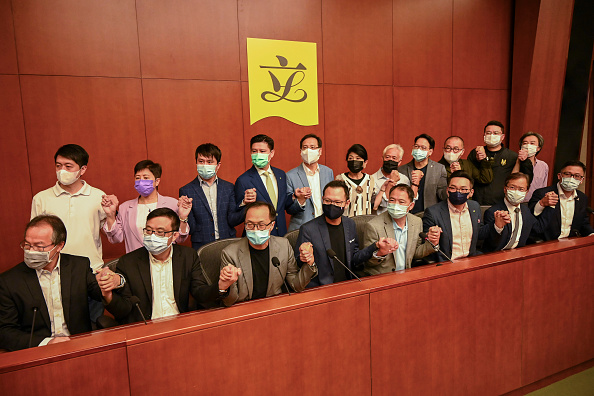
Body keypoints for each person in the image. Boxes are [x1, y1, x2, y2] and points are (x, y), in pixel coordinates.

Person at [0, 215, 120, 351]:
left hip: (79, 347)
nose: (31, 251)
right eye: (27, 245)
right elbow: (5, 332)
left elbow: (102, 293)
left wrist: (114, 280)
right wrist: (45, 343)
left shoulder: (79, 267)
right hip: (38, 351)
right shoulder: (9, 281)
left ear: (59, 246)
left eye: (39, 246)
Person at [100, 208, 223, 324]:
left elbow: (200, 292)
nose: (152, 236)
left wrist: (221, 286)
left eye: (160, 232)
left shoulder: (188, 256)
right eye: (148, 230)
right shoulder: (128, 262)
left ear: (174, 236)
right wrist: (108, 295)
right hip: (146, 327)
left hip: (180, 323)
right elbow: (124, 309)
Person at [30, 144, 107, 321]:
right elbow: (34, 239)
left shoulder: (98, 197)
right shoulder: (41, 198)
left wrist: (111, 215)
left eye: (68, 166)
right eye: (58, 165)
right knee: (60, 328)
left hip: (92, 272)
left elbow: (112, 234)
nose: (62, 170)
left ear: (82, 169)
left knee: (94, 329)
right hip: (54, 274)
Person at [295, 180, 396, 287]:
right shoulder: (308, 229)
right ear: (322, 200)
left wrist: (375, 246)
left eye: (337, 202)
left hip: (348, 285)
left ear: (347, 203)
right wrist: (304, 257)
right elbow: (298, 264)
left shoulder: (350, 224)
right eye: (327, 201)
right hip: (321, 288)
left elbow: (354, 258)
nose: (331, 205)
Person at [218, 202, 318, 306]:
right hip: (245, 309)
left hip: (274, 306)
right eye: (250, 224)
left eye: (261, 225)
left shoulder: (284, 245)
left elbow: (296, 285)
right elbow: (229, 301)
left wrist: (310, 263)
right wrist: (226, 286)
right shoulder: (230, 253)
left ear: (271, 226)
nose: (255, 230)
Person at [102, 160, 191, 253]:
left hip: (165, 258)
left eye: (146, 178)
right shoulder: (125, 207)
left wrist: (183, 218)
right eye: (137, 178)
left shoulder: (172, 204)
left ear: (157, 181)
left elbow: (180, 238)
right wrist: (110, 215)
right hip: (136, 261)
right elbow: (116, 239)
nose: (141, 182)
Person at [234, 134, 306, 236]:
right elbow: (236, 216)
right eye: (254, 151)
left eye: (262, 151)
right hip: (257, 236)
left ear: (271, 153)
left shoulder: (280, 174)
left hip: (280, 234)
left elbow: (281, 204)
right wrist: (244, 203)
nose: (258, 154)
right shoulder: (243, 180)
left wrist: (294, 196)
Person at [179, 144, 246, 249]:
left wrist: (246, 204)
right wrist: (183, 216)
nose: (205, 165)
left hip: (228, 242)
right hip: (202, 245)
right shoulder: (186, 190)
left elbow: (232, 220)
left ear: (218, 165)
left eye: (209, 162)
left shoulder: (228, 187)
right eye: (201, 161)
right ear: (196, 162)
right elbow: (191, 229)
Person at [364, 184, 439, 274]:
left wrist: (432, 243)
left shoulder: (416, 222)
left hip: (406, 276)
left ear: (411, 206)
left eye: (401, 202)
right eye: (392, 200)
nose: (395, 205)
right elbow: (367, 262)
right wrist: (381, 253)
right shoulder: (373, 226)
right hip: (382, 278)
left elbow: (414, 253)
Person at [422, 171, 493, 262]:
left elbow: (479, 232)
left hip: (471, 260)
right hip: (447, 263)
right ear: (447, 191)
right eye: (453, 188)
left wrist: (497, 226)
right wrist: (432, 238)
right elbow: (425, 242)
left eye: (463, 189)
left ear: (471, 193)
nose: (458, 192)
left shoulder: (474, 206)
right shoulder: (433, 212)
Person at [467, 120, 533, 205]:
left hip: (501, 203)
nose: (491, 135)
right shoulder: (475, 153)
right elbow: (469, 175)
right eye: (488, 133)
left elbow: (527, 177)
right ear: (484, 136)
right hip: (477, 201)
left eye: (496, 133)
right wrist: (478, 160)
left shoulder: (512, 156)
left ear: (502, 137)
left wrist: (525, 161)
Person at [529, 160, 594, 240]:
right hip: (547, 243)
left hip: (570, 243)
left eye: (577, 176)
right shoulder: (542, 193)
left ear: (581, 180)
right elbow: (530, 217)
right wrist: (541, 203)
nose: (571, 178)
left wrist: (591, 234)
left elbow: (584, 223)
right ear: (559, 176)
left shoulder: (582, 198)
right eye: (567, 174)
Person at [482, 173, 547, 252]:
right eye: (512, 187)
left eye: (521, 189)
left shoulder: (525, 210)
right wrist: (497, 227)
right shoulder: (493, 212)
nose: (516, 192)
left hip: (517, 254)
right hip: (497, 255)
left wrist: (545, 205)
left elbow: (538, 229)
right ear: (505, 189)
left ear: (526, 192)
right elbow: (491, 243)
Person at [286, 134, 334, 231]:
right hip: (301, 228)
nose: (308, 151)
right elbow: (289, 209)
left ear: (319, 151)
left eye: (312, 147)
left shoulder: (328, 172)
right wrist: (300, 200)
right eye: (305, 148)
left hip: (326, 226)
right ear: (300, 152)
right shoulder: (290, 175)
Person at [400, 134, 448, 214]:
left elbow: (442, 195)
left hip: (430, 214)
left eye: (423, 148)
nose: (419, 150)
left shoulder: (439, 169)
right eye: (416, 146)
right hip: (407, 214)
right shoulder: (402, 169)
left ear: (430, 152)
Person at [336, 144, 376, 216]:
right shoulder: (340, 179)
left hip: (366, 223)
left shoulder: (370, 179)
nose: (354, 161)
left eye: (358, 158)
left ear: (365, 162)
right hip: (347, 222)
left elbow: (374, 203)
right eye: (351, 158)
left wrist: (384, 189)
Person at [372, 144, 411, 214]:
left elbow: (409, 203)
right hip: (380, 220)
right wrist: (391, 182)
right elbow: (382, 204)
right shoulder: (372, 179)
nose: (390, 160)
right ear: (382, 158)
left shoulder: (404, 179)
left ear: (399, 162)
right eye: (387, 157)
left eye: (394, 158)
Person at [512, 132, 549, 202]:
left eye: (532, 143)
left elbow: (543, 187)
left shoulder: (543, 166)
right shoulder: (514, 162)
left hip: (535, 202)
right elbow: (512, 179)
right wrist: (519, 161)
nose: (528, 146)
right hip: (516, 202)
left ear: (538, 148)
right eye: (525, 143)